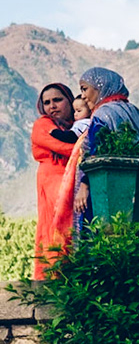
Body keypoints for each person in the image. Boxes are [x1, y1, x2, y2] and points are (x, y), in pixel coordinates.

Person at [65, 67, 139, 240]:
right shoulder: (138, 114)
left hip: (102, 190)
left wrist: (84, 186)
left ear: (100, 87)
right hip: (134, 191)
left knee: (97, 237)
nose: (82, 96)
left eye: (84, 89)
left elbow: (97, 153)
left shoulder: (103, 114)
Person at [30, 83, 77, 281]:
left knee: (75, 226)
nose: (52, 106)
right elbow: (62, 145)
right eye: (47, 102)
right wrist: (81, 147)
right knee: (54, 226)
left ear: (70, 100)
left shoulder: (79, 124)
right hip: (52, 180)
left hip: (73, 178)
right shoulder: (43, 124)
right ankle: (52, 275)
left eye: (57, 100)